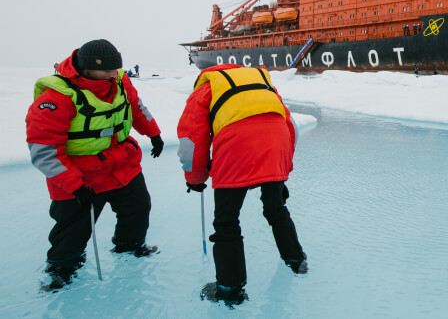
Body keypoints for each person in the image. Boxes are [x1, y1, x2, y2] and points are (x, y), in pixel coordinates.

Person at [26, 39, 164, 291]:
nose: (114, 74)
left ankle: (129, 246)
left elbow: (136, 107)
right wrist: (74, 186)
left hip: (121, 164)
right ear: (88, 68)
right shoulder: (56, 98)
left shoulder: (120, 80)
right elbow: (44, 152)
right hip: (79, 175)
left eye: (116, 68)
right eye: (108, 70)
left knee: (138, 208)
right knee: (73, 228)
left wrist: (153, 133)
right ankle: (61, 268)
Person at [177, 64, 307, 306]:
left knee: (226, 221)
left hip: (235, 145)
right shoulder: (258, 80)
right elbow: (289, 124)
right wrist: (281, 171)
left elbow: (191, 140)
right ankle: (297, 261)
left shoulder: (206, 88)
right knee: (276, 207)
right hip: (277, 141)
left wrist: (195, 180)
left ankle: (230, 290)